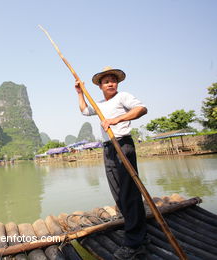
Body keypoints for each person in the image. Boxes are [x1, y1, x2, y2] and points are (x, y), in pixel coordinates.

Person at [75, 66, 148, 260]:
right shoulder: (98, 104)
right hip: (108, 148)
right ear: (100, 85)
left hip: (123, 145)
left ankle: (134, 243)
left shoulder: (122, 96)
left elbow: (141, 109)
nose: (110, 83)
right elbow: (84, 111)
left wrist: (116, 119)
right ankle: (139, 233)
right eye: (106, 81)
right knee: (118, 193)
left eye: (113, 80)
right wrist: (80, 93)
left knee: (129, 192)